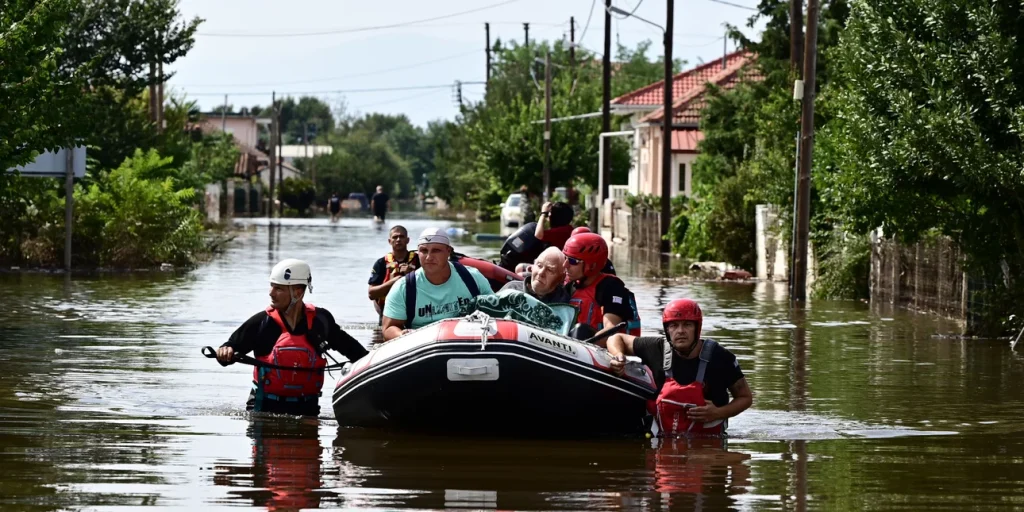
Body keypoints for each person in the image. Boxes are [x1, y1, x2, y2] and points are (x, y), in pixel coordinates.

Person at [215, 259, 369, 416]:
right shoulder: (262, 322)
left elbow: (355, 352)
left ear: (298, 292)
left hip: (307, 408)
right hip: (264, 407)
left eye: (278, 288)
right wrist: (225, 352)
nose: (271, 293)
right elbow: (229, 348)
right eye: (271, 286)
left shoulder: (320, 321)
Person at [606, 298, 752, 437]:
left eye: (687, 325)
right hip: (663, 442)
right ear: (667, 330)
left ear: (697, 328)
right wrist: (618, 356)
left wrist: (718, 413)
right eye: (674, 325)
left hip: (708, 447)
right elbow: (616, 338)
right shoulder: (656, 349)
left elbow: (745, 397)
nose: (680, 331)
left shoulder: (721, 358)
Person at [381, 228, 492, 340]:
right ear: (417, 253)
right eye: (424, 251)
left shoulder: (473, 277)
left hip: (469, 342)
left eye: (436, 250)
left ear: (448, 251)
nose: (429, 257)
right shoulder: (403, 287)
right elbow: (388, 328)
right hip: (423, 346)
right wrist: (402, 335)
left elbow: (496, 312)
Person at [563, 232, 639, 338]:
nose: (565, 265)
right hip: (571, 344)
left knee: (581, 331)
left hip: (599, 347)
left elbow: (611, 329)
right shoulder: (569, 285)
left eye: (572, 261)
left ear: (592, 265)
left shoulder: (611, 287)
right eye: (564, 257)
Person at [368, 225, 420, 319]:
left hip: (415, 312)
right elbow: (371, 294)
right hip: (388, 313)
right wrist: (393, 282)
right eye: (395, 237)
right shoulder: (381, 263)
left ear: (407, 240)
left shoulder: (419, 260)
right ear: (389, 241)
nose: (398, 239)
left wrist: (412, 275)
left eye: (402, 237)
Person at [500, 246, 572, 304]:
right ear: (532, 267)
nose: (541, 273)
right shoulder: (511, 289)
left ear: (561, 278)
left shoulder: (563, 302)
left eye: (550, 270)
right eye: (539, 265)